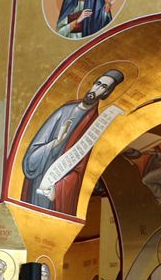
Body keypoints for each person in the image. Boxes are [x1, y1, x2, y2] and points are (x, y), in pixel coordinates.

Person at [21, 69, 124, 211]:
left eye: (103, 87)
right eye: (97, 83)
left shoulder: (94, 124)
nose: (97, 88)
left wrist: (57, 189)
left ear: (106, 94)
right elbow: (32, 156)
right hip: (40, 177)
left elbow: (81, 169)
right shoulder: (64, 110)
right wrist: (56, 143)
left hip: (55, 185)